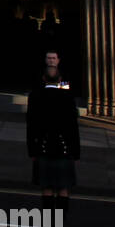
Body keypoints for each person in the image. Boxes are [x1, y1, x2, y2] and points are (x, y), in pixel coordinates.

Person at [27, 62, 80, 212]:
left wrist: (32, 151)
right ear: (60, 79)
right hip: (64, 148)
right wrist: (76, 153)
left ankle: (49, 224)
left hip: (43, 147)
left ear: (43, 78)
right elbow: (73, 128)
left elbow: (31, 126)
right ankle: (61, 223)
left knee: (47, 187)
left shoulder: (35, 96)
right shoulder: (68, 96)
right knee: (63, 188)